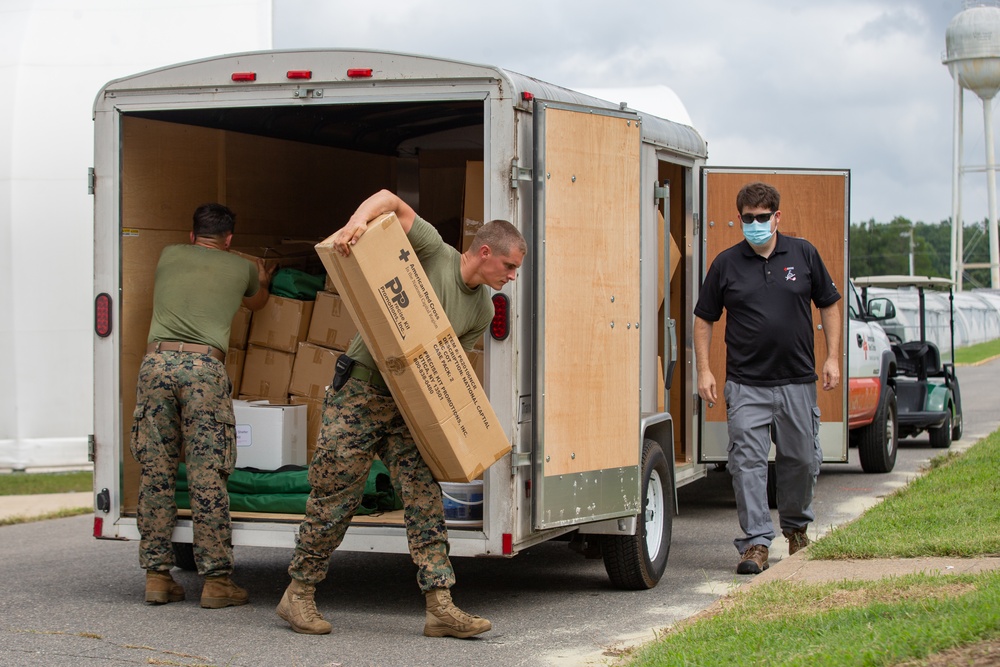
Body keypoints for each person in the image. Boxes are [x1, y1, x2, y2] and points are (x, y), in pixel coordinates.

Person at [277, 189, 527, 637]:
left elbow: (448, 371)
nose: (512, 276)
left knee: (424, 499)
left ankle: (440, 606)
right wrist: (357, 222)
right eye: (509, 266)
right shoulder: (436, 251)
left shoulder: (483, 309)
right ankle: (298, 595)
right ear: (484, 253)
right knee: (335, 495)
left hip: (406, 409)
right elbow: (391, 201)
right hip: (361, 389)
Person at [693, 182, 841, 575]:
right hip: (746, 385)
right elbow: (704, 318)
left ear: (777, 217)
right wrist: (704, 369)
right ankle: (756, 543)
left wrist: (832, 358)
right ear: (739, 217)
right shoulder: (726, 263)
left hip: (797, 381)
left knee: (802, 460)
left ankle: (796, 531)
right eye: (748, 218)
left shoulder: (804, 254)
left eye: (762, 217)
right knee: (747, 464)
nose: (755, 224)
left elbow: (829, 305)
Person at [131, 203, 273, 607]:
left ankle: (157, 577)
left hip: (155, 364)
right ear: (229, 238)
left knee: (156, 472)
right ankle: (216, 582)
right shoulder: (240, 267)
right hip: (202, 369)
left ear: (192, 235)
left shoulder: (169, 254)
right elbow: (258, 302)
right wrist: (260, 274)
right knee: (207, 474)